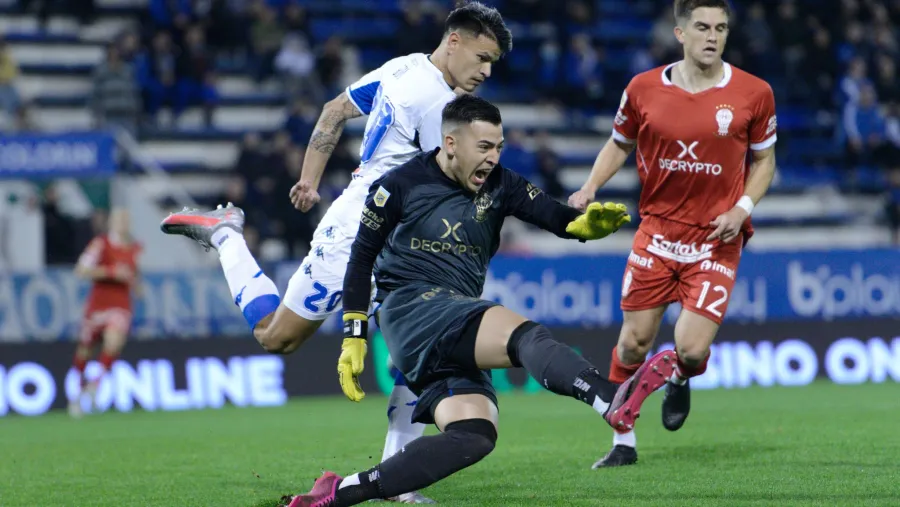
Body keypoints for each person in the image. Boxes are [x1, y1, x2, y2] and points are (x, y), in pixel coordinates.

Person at [160, 3, 512, 502]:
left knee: (417, 344)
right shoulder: (435, 104)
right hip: (356, 234)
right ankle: (225, 235)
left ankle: (397, 479)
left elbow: (334, 110)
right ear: (454, 41)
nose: (486, 71)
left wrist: (309, 179)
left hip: (396, 238)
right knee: (277, 337)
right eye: (482, 57)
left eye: (492, 62)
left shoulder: (403, 67)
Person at [283, 94, 678, 507]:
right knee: (524, 336)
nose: (493, 157)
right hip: (409, 309)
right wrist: (354, 334)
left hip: (453, 319)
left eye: (499, 147)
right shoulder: (398, 185)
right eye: (485, 146)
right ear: (451, 144)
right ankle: (608, 397)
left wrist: (582, 226)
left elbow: (554, 216)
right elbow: (361, 258)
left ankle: (339, 492)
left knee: (474, 435)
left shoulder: (501, 184)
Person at [568, 0, 777, 468]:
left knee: (692, 349)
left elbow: (765, 161)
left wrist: (741, 208)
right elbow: (619, 143)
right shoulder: (642, 88)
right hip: (657, 233)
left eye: (721, 28)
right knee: (632, 344)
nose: (712, 36)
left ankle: (680, 378)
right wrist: (590, 186)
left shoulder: (754, 92)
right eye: (702, 27)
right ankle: (623, 442)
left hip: (716, 237)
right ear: (680, 33)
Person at [69, 208, 142, 418]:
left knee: (114, 341)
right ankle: (79, 392)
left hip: (121, 305)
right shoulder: (100, 244)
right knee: (85, 350)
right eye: (119, 219)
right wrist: (110, 272)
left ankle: (95, 385)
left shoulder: (134, 248)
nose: (123, 223)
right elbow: (81, 270)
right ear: (111, 222)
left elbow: (135, 276)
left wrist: (137, 286)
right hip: (98, 305)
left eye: (126, 219)